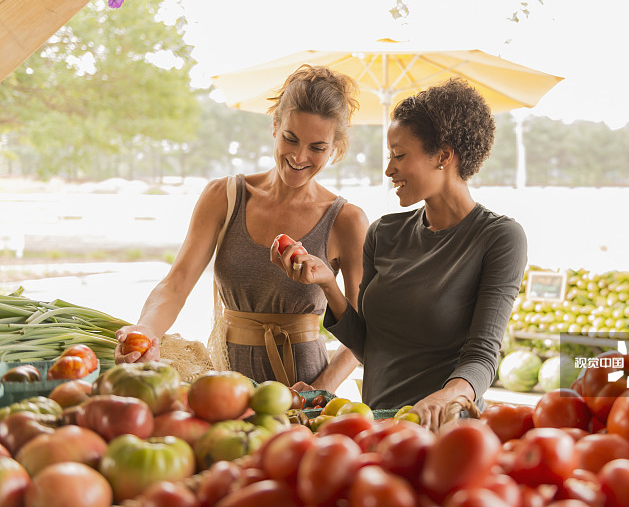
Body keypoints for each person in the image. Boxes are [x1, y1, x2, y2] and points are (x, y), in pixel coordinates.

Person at [273, 78, 528, 430]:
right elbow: (370, 347)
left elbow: (483, 356)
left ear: (442, 156)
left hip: (443, 431)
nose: (389, 169)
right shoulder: (384, 232)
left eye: (399, 155)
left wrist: (449, 396)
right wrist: (328, 285)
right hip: (375, 427)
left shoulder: (498, 237)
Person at [115, 65, 369, 394]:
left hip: (303, 387)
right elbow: (176, 283)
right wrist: (147, 330)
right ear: (275, 126)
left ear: (335, 147)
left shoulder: (347, 220)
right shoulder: (225, 196)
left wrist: (316, 392)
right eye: (290, 139)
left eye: (317, 147)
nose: (299, 156)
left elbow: (362, 332)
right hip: (225, 382)